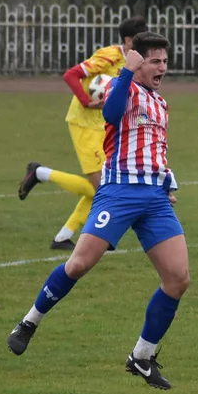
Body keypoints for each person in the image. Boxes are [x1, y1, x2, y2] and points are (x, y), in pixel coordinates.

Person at [7, 32, 190, 391]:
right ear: (137, 61)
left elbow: (157, 149)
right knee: (78, 264)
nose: (162, 68)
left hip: (154, 198)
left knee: (178, 279)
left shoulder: (161, 103)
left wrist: (168, 183)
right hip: (118, 193)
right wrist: (125, 73)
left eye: (165, 61)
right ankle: (28, 322)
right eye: (155, 61)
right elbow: (110, 112)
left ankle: (141, 357)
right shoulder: (122, 88)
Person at [17, 16, 176, 250]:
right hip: (85, 123)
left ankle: (63, 236)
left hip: (110, 127)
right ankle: (40, 173)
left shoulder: (140, 64)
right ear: (128, 40)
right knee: (99, 186)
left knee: (105, 185)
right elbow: (71, 75)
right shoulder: (109, 56)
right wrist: (85, 101)